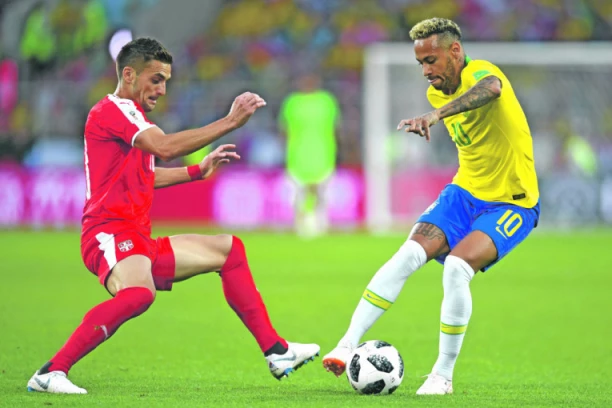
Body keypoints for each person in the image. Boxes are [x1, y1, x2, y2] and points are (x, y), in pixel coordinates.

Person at [27, 38, 319, 395]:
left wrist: (196, 171)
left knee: (229, 250)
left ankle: (277, 351)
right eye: (156, 79)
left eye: (166, 81)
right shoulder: (113, 111)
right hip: (109, 234)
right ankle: (52, 371)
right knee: (139, 293)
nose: (162, 90)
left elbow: (146, 177)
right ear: (129, 75)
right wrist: (230, 121)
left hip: (137, 237)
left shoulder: (133, 120)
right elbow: (164, 148)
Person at [322, 17, 540, 395]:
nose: (425, 71)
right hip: (464, 193)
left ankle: (442, 375)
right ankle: (346, 343)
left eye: (431, 60)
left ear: (455, 51)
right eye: (420, 63)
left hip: (512, 201)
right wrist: (436, 110)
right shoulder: (436, 93)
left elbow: (492, 88)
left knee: (456, 267)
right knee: (408, 254)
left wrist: (436, 116)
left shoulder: (480, 72)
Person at [278, 72, 341, 237]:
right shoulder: (292, 102)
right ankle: (301, 224)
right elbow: (284, 129)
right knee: (300, 193)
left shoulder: (326, 100)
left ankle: (321, 224)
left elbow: (335, 128)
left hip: (323, 153)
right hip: (297, 155)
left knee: (321, 192)